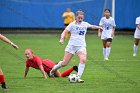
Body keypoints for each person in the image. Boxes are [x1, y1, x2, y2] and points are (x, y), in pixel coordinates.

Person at [50, 10, 102, 83]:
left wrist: (99, 27)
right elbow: (64, 32)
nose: (80, 19)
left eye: (82, 18)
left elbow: (92, 26)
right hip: (71, 46)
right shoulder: (72, 24)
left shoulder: (85, 24)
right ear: (76, 17)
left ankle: (78, 77)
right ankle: (53, 69)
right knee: (64, 63)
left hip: (81, 46)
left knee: (83, 59)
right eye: (79, 18)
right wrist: (62, 39)